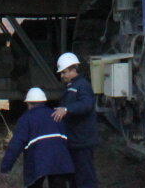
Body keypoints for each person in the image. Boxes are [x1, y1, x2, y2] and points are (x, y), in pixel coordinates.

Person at [0, 87, 75, 188]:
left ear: (28, 103)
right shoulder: (56, 115)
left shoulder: (26, 119)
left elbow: (16, 145)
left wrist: (5, 167)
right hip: (59, 161)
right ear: (44, 102)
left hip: (37, 161)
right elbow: (65, 140)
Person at [52, 52, 98, 188]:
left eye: (64, 72)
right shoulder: (72, 87)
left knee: (85, 179)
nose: (62, 76)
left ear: (73, 69)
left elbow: (86, 105)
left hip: (82, 142)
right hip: (74, 141)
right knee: (76, 179)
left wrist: (66, 109)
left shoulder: (82, 85)